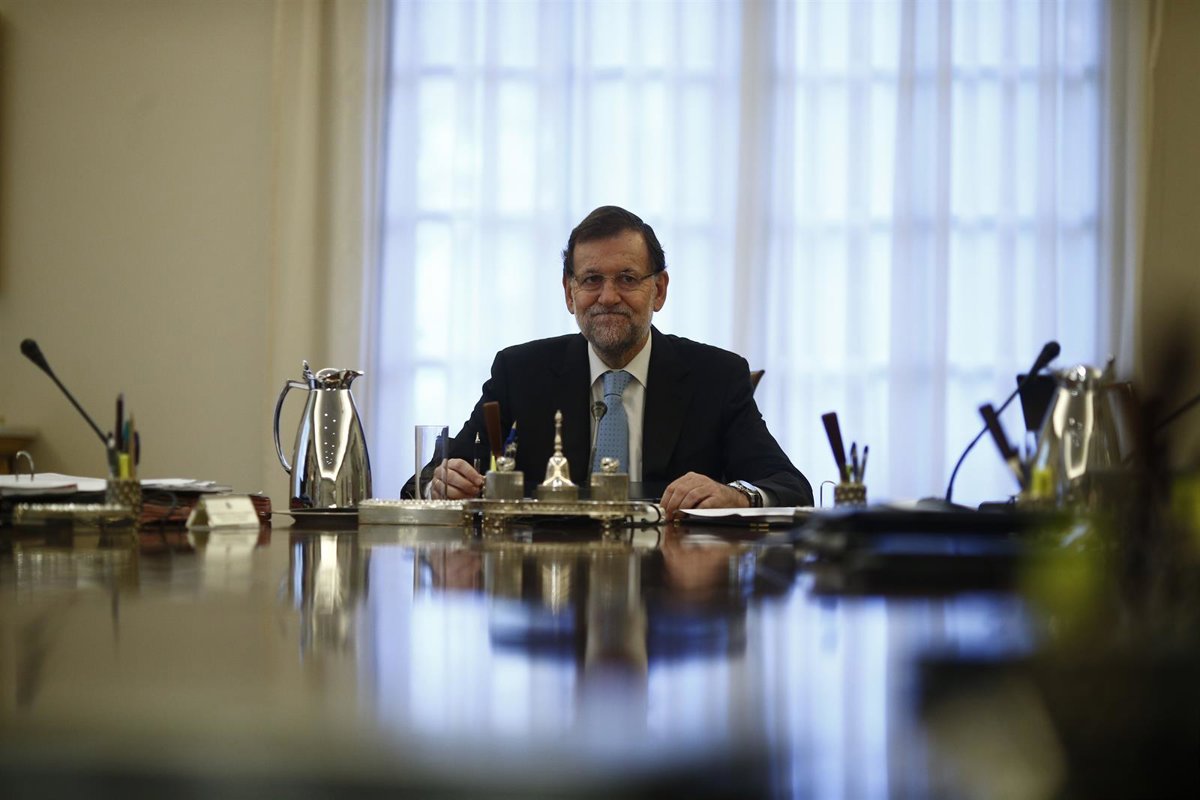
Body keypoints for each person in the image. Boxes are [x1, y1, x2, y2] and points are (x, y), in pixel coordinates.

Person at [404, 205, 813, 515]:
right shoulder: (521, 373)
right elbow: (424, 481)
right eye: (591, 280)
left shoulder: (716, 377)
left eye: (628, 279)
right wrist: (442, 483)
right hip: (551, 587)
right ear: (569, 293)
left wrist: (737, 495)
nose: (608, 296)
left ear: (659, 290)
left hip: (673, 585)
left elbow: (791, 486)